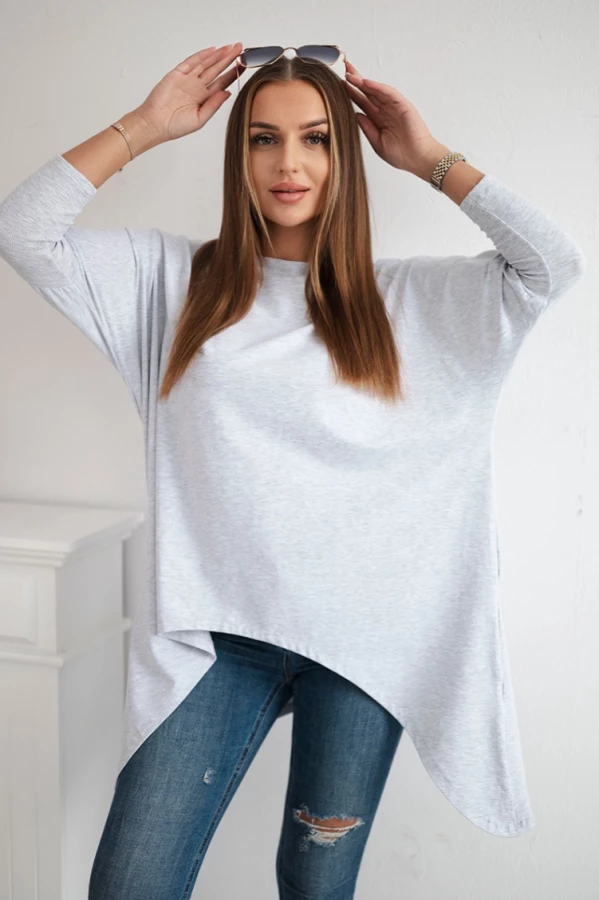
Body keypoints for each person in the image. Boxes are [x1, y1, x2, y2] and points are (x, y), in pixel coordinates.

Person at [0, 42, 586, 900]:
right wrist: (146, 126)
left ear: (344, 155)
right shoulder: (172, 283)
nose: (288, 164)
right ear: (236, 156)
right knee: (131, 884)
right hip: (214, 639)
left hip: (364, 652)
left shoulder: (416, 301)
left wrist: (428, 157)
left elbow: (552, 264)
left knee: (314, 886)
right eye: (262, 139)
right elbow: (23, 229)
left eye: (314, 138)